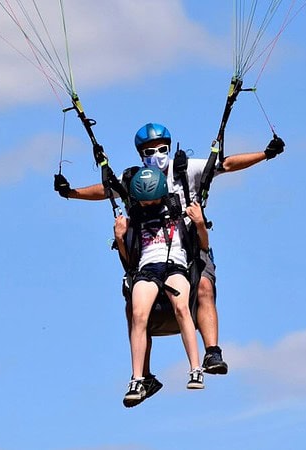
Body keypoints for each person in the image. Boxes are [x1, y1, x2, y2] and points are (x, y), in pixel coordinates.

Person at [55, 123, 284, 395]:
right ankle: (143, 376)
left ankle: (211, 352)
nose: (157, 154)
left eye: (162, 148)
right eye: (150, 150)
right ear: (141, 153)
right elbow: (106, 189)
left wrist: (265, 154)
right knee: (134, 306)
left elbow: (227, 164)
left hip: (191, 241)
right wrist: (71, 193)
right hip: (149, 251)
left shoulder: (185, 169)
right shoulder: (135, 179)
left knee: (204, 286)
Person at [114, 167, 211, 407]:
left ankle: (195, 368)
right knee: (138, 314)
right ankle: (138, 378)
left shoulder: (179, 211)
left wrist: (199, 223)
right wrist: (119, 238)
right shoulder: (134, 218)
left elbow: (203, 246)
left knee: (181, 307)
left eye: (153, 200)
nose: (149, 205)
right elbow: (128, 261)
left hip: (175, 265)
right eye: (144, 202)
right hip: (147, 268)